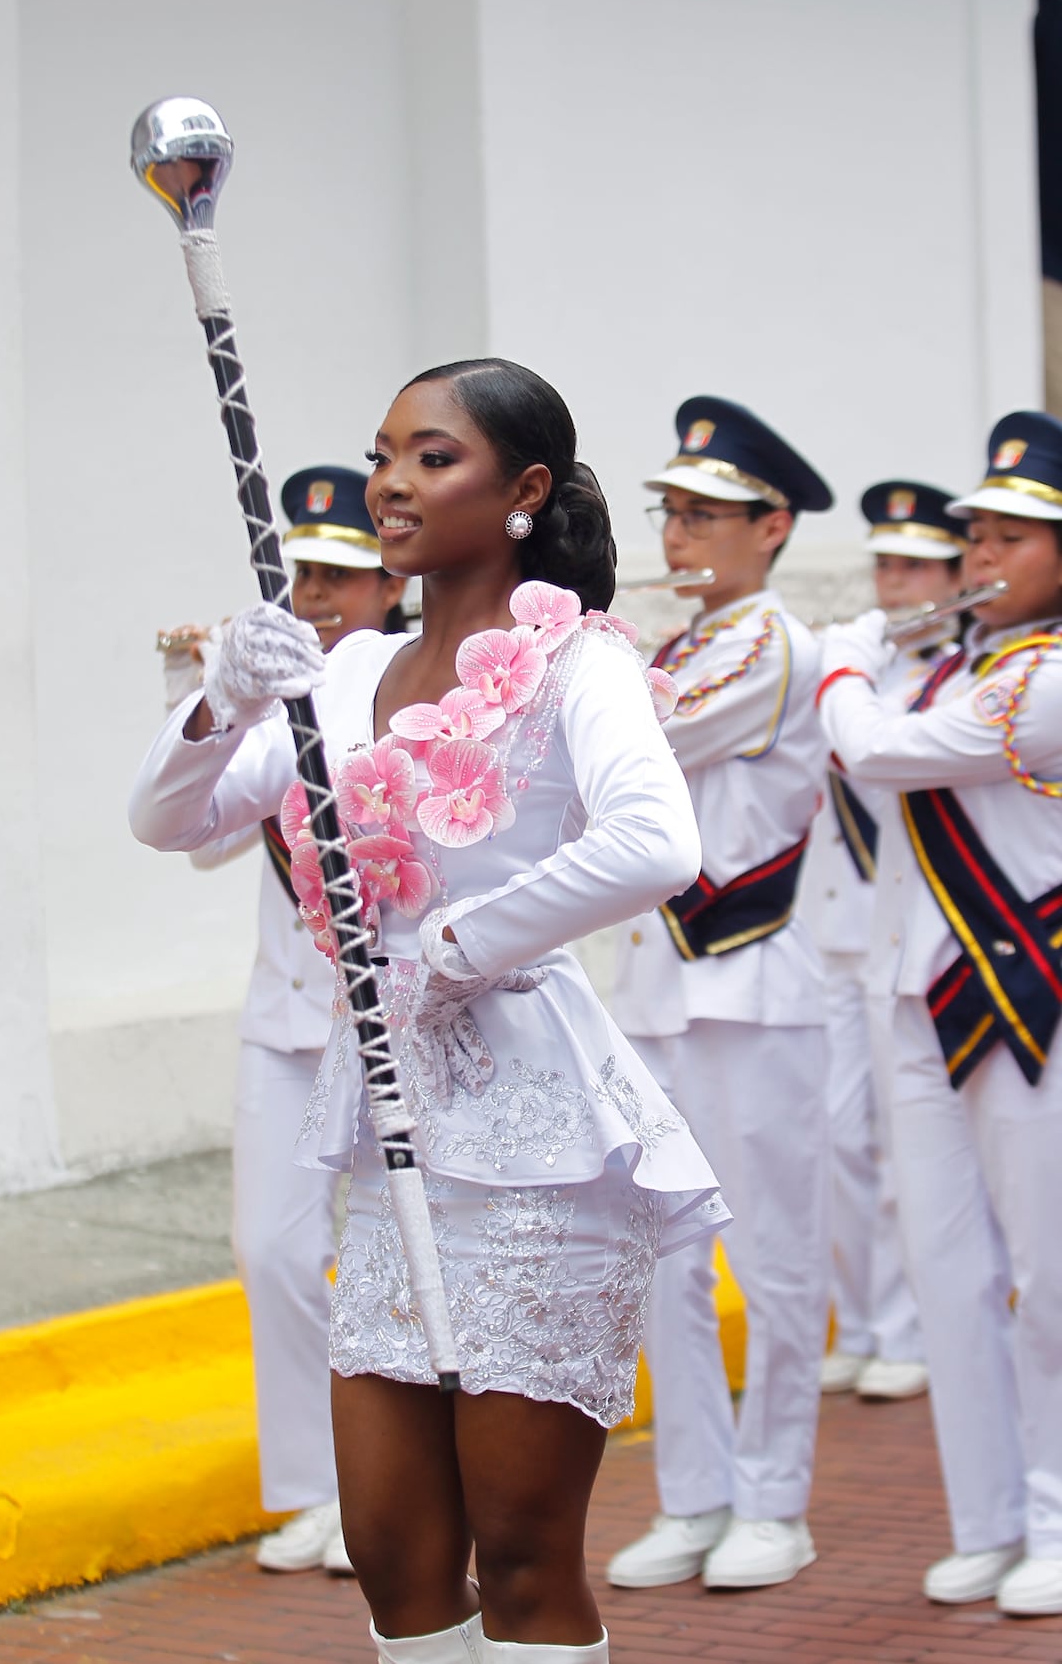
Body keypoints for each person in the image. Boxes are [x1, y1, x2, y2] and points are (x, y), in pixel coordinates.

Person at [131, 357, 730, 1664]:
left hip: (538, 1155)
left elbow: (654, 840)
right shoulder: (346, 676)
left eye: (432, 456)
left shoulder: (578, 661)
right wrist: (226, 691)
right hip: (391, 1147)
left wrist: (460, 940)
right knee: (395, 1551)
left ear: (522, 489)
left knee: (519, 1553)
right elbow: (169, 818)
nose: (392, 482)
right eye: (384, 452)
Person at [817, 412, 1062, 1617]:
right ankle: (989, 1519)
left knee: (1050, 1273)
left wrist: (842, 663)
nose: (981, 558)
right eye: (979, 535)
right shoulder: (960, 657)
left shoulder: (1049, 677)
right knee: (949, 1268)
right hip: (918, 993)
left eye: (1015, 537)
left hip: (1030, 994)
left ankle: (1059, 1516)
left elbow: (880, 753)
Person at [159, 467, 405, 1578]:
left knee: (393, 1258)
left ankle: (389, 1488)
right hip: (286, 1018)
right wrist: (194, 683)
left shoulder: (400, 690)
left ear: (389, 586)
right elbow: (198, 836)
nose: (315, 596)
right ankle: (313, 1486)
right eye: (301, 573)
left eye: (340, 576)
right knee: (272, 1248)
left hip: (388, 1022)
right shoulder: (267, 704)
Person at [605, 396, 832, 1592]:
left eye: (706, 514)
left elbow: (644, 747)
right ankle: (694, 1495)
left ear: (773, 524)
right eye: (674, 511)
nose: (681, 533)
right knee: (666, 1262)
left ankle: (777, 1500)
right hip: (660, 990)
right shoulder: (677, 644)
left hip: (760, 982)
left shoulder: (768, 643)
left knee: (779, 1259)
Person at [803, 483, 965, 1403]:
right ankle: (859, 1324)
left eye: (913, 565)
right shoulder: (855, 662)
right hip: (832, 930)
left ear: (951, 575)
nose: (893, 582)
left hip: (910, 937)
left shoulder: (947, 675)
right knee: (834, 1138)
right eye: (886, 564)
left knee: (908, 1148)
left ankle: (906, 1330)